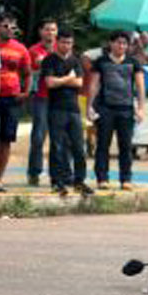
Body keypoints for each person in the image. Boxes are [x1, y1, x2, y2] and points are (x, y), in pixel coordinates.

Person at [88, 31, 145, 191]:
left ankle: (125, 179)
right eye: (118, 43)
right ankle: (102, 178)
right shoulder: (101, 62)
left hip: (126, 109)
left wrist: (141, 109)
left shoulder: (133, 63)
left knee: (125, 146)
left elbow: (140, 86)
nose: (121, 46)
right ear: (111, 44)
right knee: (102, 145)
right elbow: (94, 85)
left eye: (124, 44)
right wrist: (89, 107)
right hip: (105, 108)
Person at [42, 28, 93, 197]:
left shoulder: (75, 61)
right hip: (56, 108)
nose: (67, 45)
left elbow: (79, 82)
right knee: (57, 146)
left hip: (74, 109)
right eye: (63, 42)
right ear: (58, 42)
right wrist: (68, 78)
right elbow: (50, 83)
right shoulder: (49, 60)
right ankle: (57, 181)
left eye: (69, 42)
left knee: (79, 147)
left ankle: (79, 181)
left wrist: (63, 80)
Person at [0, 14, 31, 192]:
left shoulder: (21, 49)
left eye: (13, 27)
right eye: (5, 26)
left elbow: (27, 72)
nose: (9, 30)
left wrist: (26, 92)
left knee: (6, 139)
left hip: (12, 98)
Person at [27, 19, 57, 186]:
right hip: (41, 98)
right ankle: (34, 172)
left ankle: (57, 174)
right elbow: (28, 72)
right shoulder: (33, 50)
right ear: (41, 32)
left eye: (53, 30)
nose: (50, 33)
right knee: (38, 136)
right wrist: (38, 67)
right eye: (47, 30)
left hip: (59, 99)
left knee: (59, 137)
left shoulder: (62, 50)